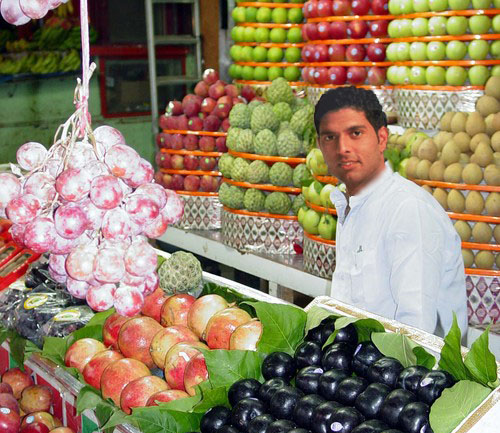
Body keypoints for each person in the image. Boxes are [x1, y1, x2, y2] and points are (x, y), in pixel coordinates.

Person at [314, 86, 467, 337]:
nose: (343, 148)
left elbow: (416, 333)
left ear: (382, 138)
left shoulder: (408, 210)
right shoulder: (350, 205)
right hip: (364, 356)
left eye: (356, 133)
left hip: (415, 361)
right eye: (330, 137)